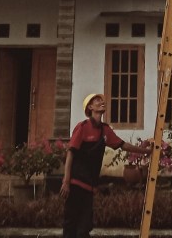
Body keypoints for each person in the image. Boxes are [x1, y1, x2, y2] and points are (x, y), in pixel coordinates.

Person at [60, 93, 152, 238]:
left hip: (89, 185)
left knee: (85, 226)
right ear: (90, 107)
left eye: (101, 100)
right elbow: (70, 153)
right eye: (97, 100)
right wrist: (66, 181)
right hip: (75, 182)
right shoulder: (82, 127)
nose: (101, 101)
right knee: (70, 224)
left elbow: (123, 145)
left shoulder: (105, 130)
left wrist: (145, 151)